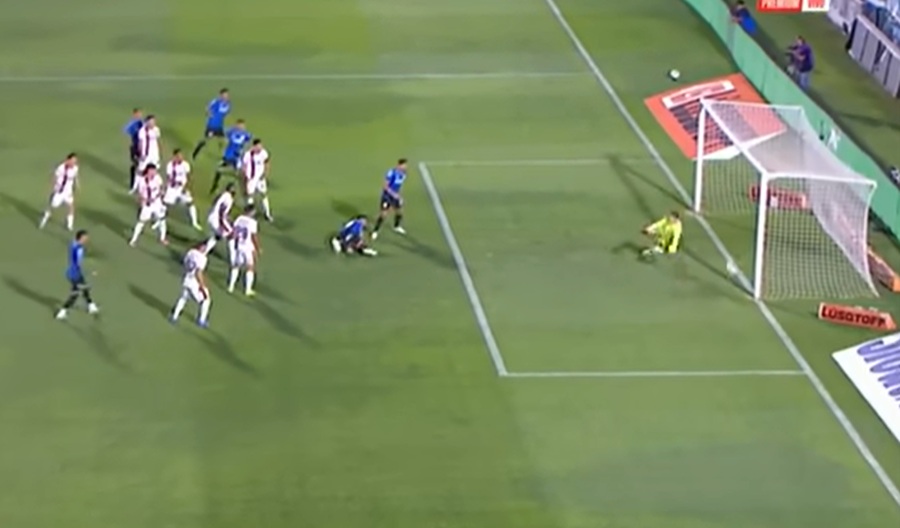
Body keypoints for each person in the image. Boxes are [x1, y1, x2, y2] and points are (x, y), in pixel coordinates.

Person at [55, 229, 99, 319]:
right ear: (81, 238)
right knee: (76, 293)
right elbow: (78, 264)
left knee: (84, 289)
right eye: (85, 238)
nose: (86, 240)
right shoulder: (79, 249)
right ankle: (63, 311)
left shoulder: (72, 244)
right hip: (75, 273)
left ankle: (91, 305)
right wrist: (89, 272)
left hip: (70, 272)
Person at [170, 242, 212, 328]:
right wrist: (202, 285)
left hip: (186, 278)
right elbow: (198, 272)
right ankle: (201, 320)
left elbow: (184, 262)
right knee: (205, 300)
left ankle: (174, 316)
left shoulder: (191, 252)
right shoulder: (203, 258)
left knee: (183, 298)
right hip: (194, 282)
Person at [128, 164, 168, 247]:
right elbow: (140, 194)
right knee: (141, 222)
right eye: (152, 171)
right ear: (148, 171)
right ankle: (133, 240)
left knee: (162, 220)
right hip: (147, 204)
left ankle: (162, 238)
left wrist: (161, 194)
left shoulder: (157, 178)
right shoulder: (142, 181)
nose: (154, 172)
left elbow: (161, 187)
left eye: (155, 171)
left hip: (157, 203)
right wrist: (145, 200)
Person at [209, 119, 252, 195]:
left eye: (242, 126)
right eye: (239, 125)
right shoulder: (231, 131)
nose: (241, 127)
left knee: (241, 174)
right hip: (228, 155)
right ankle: (215, 186)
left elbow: (248, 145)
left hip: (237, 158)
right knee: (219, 170)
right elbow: (222, 133)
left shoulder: (246, 135)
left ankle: (245, 190)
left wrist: (242, 151)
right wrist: (214, 134)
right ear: (236, 125)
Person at [163, 149, 202, 230]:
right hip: (172, 188)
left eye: (181, 155)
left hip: (182, 188)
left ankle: (195, 222)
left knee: (190, 203)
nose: (181, 157)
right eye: (179, 156)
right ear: (175, 156)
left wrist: (186, 187)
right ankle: (160, 221)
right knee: (165, 204)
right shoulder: (170, 165)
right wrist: (167, 187)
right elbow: (169, 177)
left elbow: (188, 177)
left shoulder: (185, 165)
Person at [39, 152, 79, 231]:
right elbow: (54, 177)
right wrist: (53, 187)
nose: (74, 163)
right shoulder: (61, 167)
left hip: (68, 191)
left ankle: (69, 225)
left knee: (71, 206)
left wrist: (77, 184)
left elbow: (75, 176)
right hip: (59, 191)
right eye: (72, 161)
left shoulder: (75, 168)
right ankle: (44, 219)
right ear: (68, 160)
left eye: (75, 161)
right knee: (52, 206)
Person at [228, 205, 261, 296]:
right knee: (250, 267)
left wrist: (235, 243)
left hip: (239, 245)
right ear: (251, 212)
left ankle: (231, 286)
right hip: (248, 247)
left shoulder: (239, 219)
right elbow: (254, 236)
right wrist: (258, 248)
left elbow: (234, 232)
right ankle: (248, 289)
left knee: (236, 266)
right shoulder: (252, 222)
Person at [371, 159, 408, 240]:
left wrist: (399, 196)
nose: (405, 167)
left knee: (399, 212)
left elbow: (399, 186)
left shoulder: (403, 174)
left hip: (396, 196)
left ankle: (396, 226)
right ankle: (375, 231)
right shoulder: (391, 173)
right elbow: (385, 186)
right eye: (404, 165)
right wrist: (394, 194)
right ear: (399, 165)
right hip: (387, 196)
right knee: (383, 214)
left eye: (405, 165)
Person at [192, 88, 231, 160]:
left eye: (227, 95)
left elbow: (226, 113)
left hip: (219, 126)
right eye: (225, 95)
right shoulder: (216, 101)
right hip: (211, 126)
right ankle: (196, 152)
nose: (226, 96)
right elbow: (207, 107)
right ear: (221, 95)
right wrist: (208, 113)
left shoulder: (228, 104)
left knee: (223, 141)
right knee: (206, 140)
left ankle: (224, 156)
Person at [241, 139, 273, 222]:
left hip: (260, 179)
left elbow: (267, 163)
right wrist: (245, 178)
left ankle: (267, 214)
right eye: (258, 146)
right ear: (254, 146)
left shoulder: (263, 153)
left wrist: (265, 174)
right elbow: (244, 166)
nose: (260, 148)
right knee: (250, 195)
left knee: (264, 195)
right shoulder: (248, 154)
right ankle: (250, 214)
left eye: (261, 146)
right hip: (251, 178)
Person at [204, 183, 236, 256]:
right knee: (230, 236)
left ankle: (205, 249)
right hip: (216, 220)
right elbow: (222, 215)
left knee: (217, 236)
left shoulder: (222, 194)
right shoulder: (229, 199)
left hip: (211, 217)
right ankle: (233, 260)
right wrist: (226, 227)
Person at [123, 108, 143, 189]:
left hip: (143, 147)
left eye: (140, 114)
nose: (139, 115)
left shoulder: (142, 123)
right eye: (137, 114)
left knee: (142, 165)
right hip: (135, 147)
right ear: (134, 114)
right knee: (135, 164)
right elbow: (125, 130)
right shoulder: (132, 123)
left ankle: (141, 183)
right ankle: (133, 183)